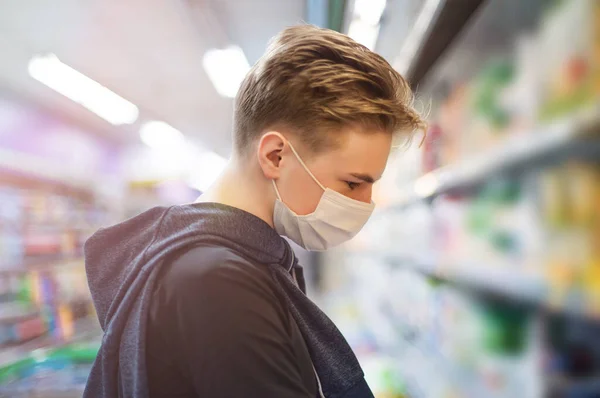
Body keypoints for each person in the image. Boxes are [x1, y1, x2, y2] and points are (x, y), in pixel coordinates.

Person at [83, 24, 424, 398]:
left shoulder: (235, 259)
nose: (366, 204)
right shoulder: (218, 283)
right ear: (275, 156)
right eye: (353, 184)